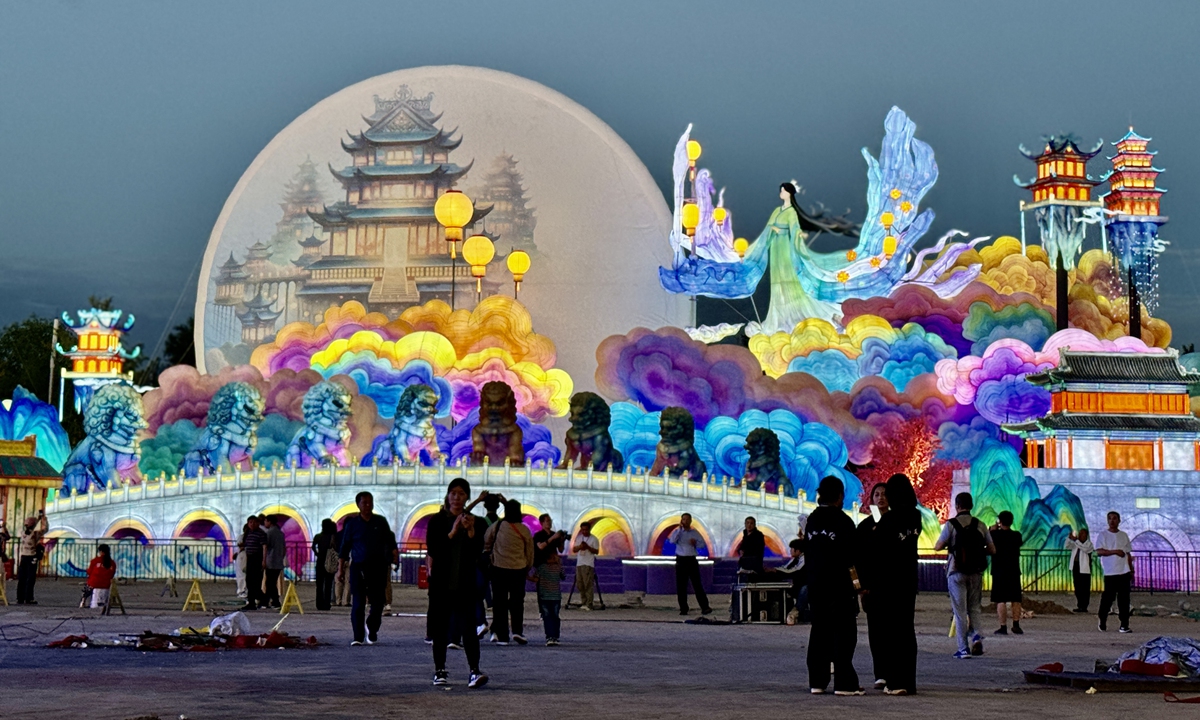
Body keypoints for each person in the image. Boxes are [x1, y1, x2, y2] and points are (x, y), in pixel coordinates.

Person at [427, 477, 488, 688]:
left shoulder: (476, 522)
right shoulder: (437, 521)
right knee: (440, 629)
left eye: (461, 494)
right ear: (448, 495)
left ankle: (474, 670)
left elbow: (477, 553)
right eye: (453, 493)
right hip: (441, 584)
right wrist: (452, 532)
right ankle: (440, 670)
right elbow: (434, 550)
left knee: (468, 629)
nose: (456, 497)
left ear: (467, 497)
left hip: (464, 584)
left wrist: (470, 532)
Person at [804, 476, 862, 696]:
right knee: (843, 633)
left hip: (816, 586)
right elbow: (852, 559)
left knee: (819, 631)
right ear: (840, 496)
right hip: (839, 586)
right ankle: (845, 684)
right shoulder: (843, 521)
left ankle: (817, 682)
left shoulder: (812, 520)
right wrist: (858, 585)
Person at [872, 474, 922, 696]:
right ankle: (908, 682)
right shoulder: (915, 516)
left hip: (889, 583)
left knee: (891, 633)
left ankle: (895, 681)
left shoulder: (889, 520)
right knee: (906, 631)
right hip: (908, 580)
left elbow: (877, 552)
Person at [934, 492, 995, 659]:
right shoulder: (980, 525)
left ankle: (963, 648)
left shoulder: (951, 524)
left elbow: (938, 546)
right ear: (972, 505)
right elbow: (992, 549)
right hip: (976, 572)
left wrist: (951, 545)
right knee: (974, 607)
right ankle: (977, 635)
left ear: (957, 506)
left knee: (960, 611)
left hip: (956, 571)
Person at [338, 491, 394, 646]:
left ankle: (372, 627)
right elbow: (344, 548)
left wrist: (394, 555)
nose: (368, 505)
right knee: (358, 603)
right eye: (364, 502)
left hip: (378, 567)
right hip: (358, 567)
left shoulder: (381, 522)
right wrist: (340, 569)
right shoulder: (352, 525)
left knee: (377, 603)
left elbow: (390, 541)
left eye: (370, 502)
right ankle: (358, 636)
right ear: (358, 505)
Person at [484, 498, 534, 645]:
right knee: (517, 602)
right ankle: (517, 631)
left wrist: (489, 553)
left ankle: (503, 635)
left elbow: (487, 540)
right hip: (518, 569)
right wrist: (528, 566)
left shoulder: (498, 525)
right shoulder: (524, 529)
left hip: (498, 568)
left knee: (499, 603)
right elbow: (530, 551)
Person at [856, 482, 889, 688]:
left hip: (893, 586)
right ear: (871, 500)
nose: (881, 498)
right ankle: (881, 674)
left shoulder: (897, 524)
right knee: (876, 631)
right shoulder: (865, 527)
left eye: (885, 494)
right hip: (872, 587)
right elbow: (858, 559)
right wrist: (860, 586)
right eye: (877, 495)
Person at [1095, 511, 1133, 633]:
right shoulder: (1103, 535)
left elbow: (1127, 553)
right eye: (1110, 518)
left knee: (1124, 599)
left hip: (1124, 571)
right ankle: (1102, 619)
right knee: (1108, 598)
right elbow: (1099, 551)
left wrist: (1131, 569)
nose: (1112, 521)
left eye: (1114, 518)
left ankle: (1124, 624)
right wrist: (1115, 552)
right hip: (1110, 572)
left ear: (1119, 520)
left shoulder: (1124, 535)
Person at [532, 513, 566, 645]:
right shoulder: (539, 535)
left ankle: (554, 635)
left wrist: (561, 539)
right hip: (542, 566)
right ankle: (548, 627)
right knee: (544, 599)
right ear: (541, 522)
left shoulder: (554, 534)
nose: (549, 523)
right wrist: (553, 538)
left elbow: (561, 549)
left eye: (550, 521)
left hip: (554, 568)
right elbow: (540, 546)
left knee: (554, 611)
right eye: (546, 521)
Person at [669, 513, 711, 616]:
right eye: (684, 519)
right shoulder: (677, 532)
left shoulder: (695, 533)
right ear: (681, 520)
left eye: (688, 519)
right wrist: (679, 530)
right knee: (681, 586)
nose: (686, 521)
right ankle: (683, 608)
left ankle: (705, 607)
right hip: (681, 560)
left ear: (691, 521)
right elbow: (672, 541)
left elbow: (702, 545)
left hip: (691, 559)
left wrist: (695, 543)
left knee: (697, 584)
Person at [990, 511, 1024, 635]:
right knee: (1016, 599)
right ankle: (1016, 625)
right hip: (1014, 570)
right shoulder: (1017, 535)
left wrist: (992, 529)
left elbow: (987, 541)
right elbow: (1020, 543)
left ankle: (1003, 626)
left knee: (1001, 600)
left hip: (999, 570)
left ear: (1000, 521)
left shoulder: (994, 535)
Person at [768, 538, 808, 623]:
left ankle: (795, 612)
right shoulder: (794, 559)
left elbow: (796, 571)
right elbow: (785, 568)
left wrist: (776, 570)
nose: (790, 551)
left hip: (805, 586)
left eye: (792, 549)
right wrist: (774, 570)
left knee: (805, 589)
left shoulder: (805, 558)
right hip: (796, 586)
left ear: (798, 550)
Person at [16, 512, 48, 605]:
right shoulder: (35, 534)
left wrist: (39, 519)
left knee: (22, 578)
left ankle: (20, 597)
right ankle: (28, 598)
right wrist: (43, 519)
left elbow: (32, 529)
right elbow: (45, 529)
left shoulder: (22, 533)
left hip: (24, 556)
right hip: (31, 557)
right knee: (30, 578)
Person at [240, 515, 267, 611]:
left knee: (256, 582)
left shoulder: (261, 533)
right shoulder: (248, 533)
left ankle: (262, 599)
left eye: (254, 522)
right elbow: (246, 545)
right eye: (250, 522)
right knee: (249, 581)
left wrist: (264, 560)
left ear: (258, 523)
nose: (252, 524)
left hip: (257, 558)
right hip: (250, 558)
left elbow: (264, 547)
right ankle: (252, 601)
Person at [572, 521, 599, 610]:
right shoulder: (579, 538)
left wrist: (588, 547)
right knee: (580, 584)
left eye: (586, 530)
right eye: (583, 530)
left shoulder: (594, 539)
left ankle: (589, 603)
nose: (584, 531)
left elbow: (596, 551)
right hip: (579, 563)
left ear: (589, 529)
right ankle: (583, 602)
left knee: (588, 584)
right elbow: (574, 549)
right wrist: (580, 546)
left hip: (588, 564)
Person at [1065, 528, 1094, 613]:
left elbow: (1085, 549)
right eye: (1080, 534)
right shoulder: (1076, 544)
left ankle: (1084, 606)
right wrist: (1069, 538)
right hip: (1076, 566)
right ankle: (1079, 605)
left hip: (1085, 569)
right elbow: (1067, 546)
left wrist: (1076, 541)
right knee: (1077, 587)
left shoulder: (1089, 544)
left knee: (1084, 588)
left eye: (1083, 534)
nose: (1081, 536)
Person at [313, 519, 338, 611]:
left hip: (320, 561)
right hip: (329, 562)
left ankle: (319, 604)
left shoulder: (318, 536)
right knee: (328, 584)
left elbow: (313, 547)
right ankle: (327, 604)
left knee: (319, 584)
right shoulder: (332, 536)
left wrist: (317, 553)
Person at [263, 515, 286, 609]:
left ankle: (274, 601)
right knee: (272, 582)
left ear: (269, 522)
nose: (264, 523)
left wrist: (263, 560)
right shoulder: (280, 533)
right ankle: (269, 601)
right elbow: (284, 548)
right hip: (278, 560)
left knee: (270, 582)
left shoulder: (269, 533)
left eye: (265, 521)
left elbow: (266, 546)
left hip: (271, 560)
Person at [86, 544, 117, 609]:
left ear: (100, 551)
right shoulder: (112, 563)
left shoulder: (95, 561)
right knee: (102, 601)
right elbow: (112, 574)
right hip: (106, 585)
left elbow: (89, 572)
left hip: (94, 584)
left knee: (95, 603)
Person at [233, 522, 248, 599]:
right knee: (242, 574)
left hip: (242, 555)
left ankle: (242, 590)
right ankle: (242, 590)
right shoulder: (243, 537)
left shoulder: (241, 537)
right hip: (243, 555)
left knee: (242, 574)